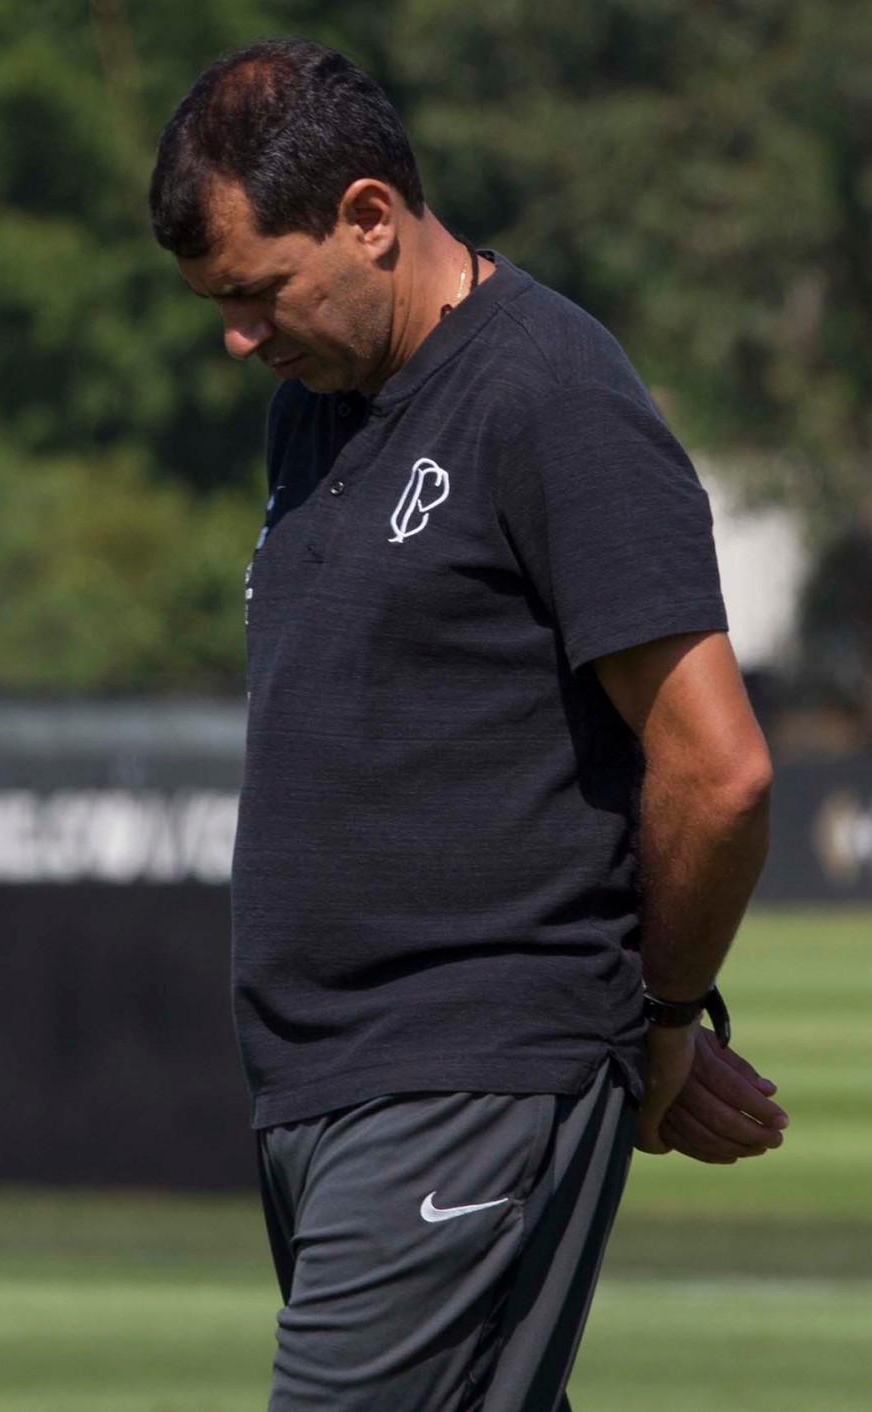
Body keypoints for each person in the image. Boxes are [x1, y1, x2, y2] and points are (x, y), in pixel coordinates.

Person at [149, 39, 788, 1411]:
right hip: (322, 1091)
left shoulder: (549, 395)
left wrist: (659, 1018)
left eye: (258, 292)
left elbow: (715, 769)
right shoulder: (311, 412)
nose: (239, 337)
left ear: (370, 219)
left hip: (463, 1079)